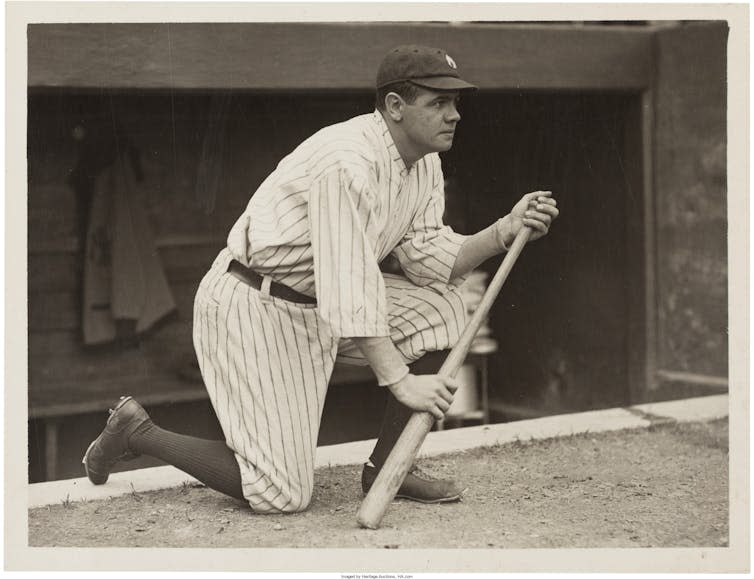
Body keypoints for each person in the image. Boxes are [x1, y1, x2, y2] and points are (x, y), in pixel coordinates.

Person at [82, 44, 559, 513]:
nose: (454, 114)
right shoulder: (348, 160)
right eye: (438, 102)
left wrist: (502, 232)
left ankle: (389, 467)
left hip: (320, 307)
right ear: (394, 106)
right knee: (281, 494)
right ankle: (137, 431)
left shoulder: (424, 163)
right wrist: (398, 380)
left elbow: (425, 256)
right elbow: (349, 286)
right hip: (256, 304)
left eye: (455, 102)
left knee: (444, 308)